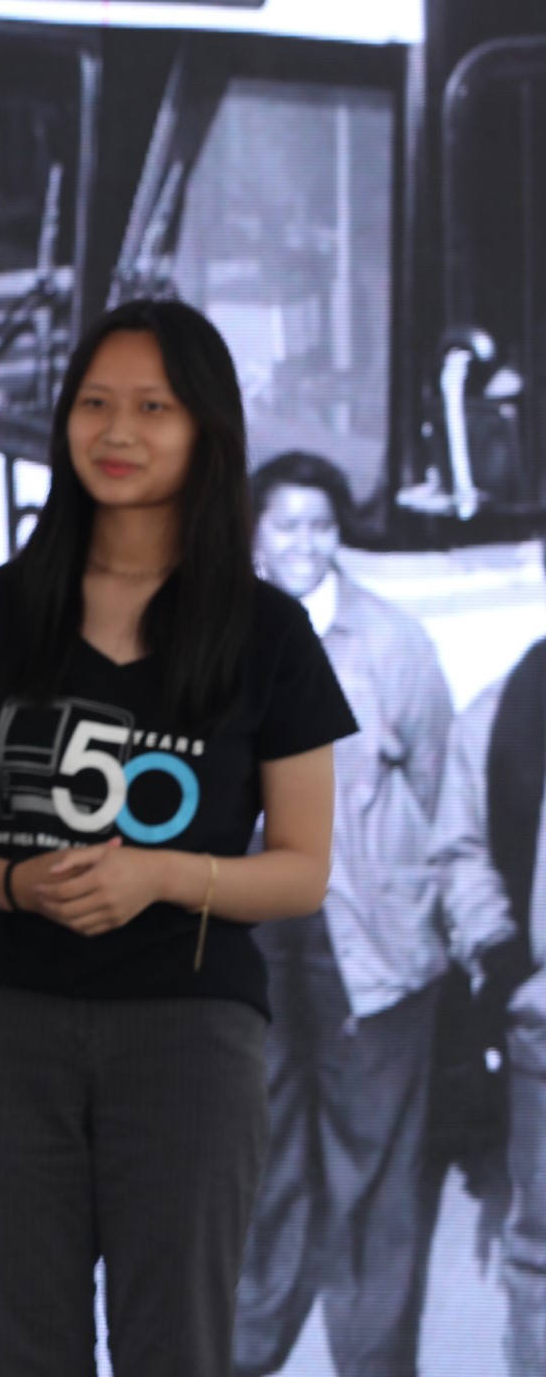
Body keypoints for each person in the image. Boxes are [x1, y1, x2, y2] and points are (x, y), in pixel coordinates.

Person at [0, 299, 356, 1377]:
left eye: (154, 406)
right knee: (17, 1348)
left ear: (206, 430)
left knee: (177, 1350)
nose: (118, 430)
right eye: (95, 403)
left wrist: (158, 873)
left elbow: (301, 870)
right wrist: (15, 884)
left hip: (190, 1036)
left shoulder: (267, 631)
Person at [233, 451, 457, 1377]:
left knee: (373, 1159)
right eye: (284, 523)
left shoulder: (392, 641)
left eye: (320, 525)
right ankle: (248, 1336)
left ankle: (370, 1355)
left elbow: (441, 787)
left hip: (368, 935)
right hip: (249, 932)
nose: (303, 544)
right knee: (260, 1141)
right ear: (252, 532)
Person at [428, 635, 546, 1372]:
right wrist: (511, 972)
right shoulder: (506, 707)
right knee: (540, 1256)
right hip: (543, 1029)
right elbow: (459, 850)